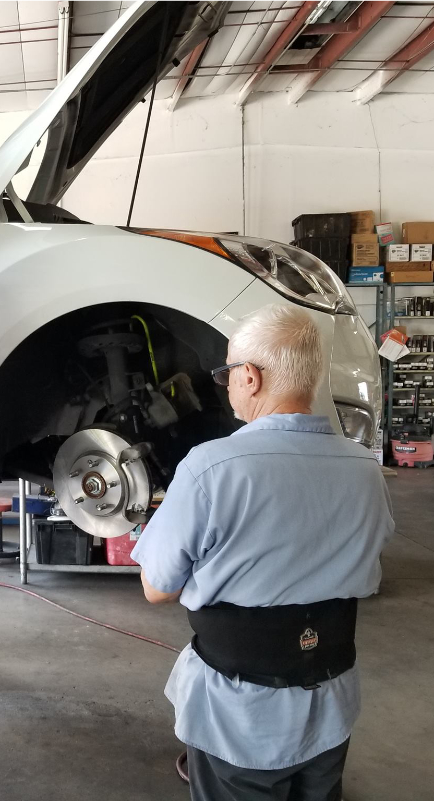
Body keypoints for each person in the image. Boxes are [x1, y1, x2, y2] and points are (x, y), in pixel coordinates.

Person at [131, 303, 394, 801]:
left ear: (248, 377)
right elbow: (369, 562)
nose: (226, 383)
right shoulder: (365, 470)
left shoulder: (211, 468)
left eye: (226, 372)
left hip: (241, 715)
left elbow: (156, 589)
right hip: (330, 702)